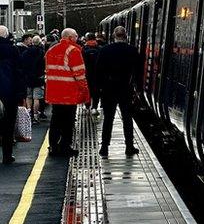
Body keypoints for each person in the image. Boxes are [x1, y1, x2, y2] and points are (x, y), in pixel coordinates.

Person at [45, 28, 89, 157]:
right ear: (70, 37)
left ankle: (53, 146)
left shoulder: (51, 50)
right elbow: (80, 75)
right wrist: (85, 91)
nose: (77, 39)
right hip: (68, 93)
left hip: (54, 92)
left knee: (55, 120)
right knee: (68, 121)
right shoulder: (74, 51)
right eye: (75, 36)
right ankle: (65, 146)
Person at [96, 26, 140, 157]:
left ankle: (104, 147)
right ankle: (129, 146)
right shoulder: (132, 50)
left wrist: (100, 87)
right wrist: (137, 88)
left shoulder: (105, 50)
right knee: (127, 118)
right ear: (125, 36)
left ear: (114, 36)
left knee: (108, 118)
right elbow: (137, 70)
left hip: (109, 88)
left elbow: (98, 70)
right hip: (126, 87)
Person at [0, 26, 27, 164]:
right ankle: (7, 155)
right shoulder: (13, 50)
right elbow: (19, 73)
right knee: (8, 125)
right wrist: (21, 93)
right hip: (9, 92)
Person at [21, 35, 45, 122]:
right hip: (38, 78)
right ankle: (35, 115)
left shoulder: (25, 52)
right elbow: (44, 65)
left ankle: (29, 113)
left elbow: (22, 65)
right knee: (37, 98)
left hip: (28, 78)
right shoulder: (41, 52)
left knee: (28, 97)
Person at [82, 33, 100, 116]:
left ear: (87, 39)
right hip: (97, 73)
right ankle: (94, 107)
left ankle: (87, 106)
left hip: (86, 73)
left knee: (87, 90)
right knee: (96, 90)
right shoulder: (99, 48)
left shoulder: (84, 49)